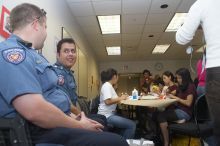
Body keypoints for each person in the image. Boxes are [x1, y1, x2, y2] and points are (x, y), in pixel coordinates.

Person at [0, 3, 128, 146]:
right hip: (37, 130)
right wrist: (79, 125)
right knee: (117, 142)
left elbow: (53, 98)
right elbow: (34, 110)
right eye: (45, 27)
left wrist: (77, 118)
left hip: (54, 123)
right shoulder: (13, 53)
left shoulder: (32, 54)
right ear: (36, 25)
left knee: (107, 135)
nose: (46, 32)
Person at [176, 0, 220, 144]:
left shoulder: (203, 4)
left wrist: (185, 24)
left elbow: (182, 38)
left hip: (216, 72)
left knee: (214, 125)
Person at [53, 38, 107, 128]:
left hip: (72, 116)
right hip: (65, 120)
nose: (70, 54)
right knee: (101, 124)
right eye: (66, 51)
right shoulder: (58, 74)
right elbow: (68, 105)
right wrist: (84, 118)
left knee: (102, 119)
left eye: (73, 51)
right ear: (58, 55)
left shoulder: (68, 73)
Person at [157, 68, 197, 146]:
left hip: (186, 112)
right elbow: (173, 93)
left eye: (179, 78)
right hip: (180, 110)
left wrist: (176, 98)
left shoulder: (190, 87)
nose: (178, 80)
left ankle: (166, 143)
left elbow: (188, 103)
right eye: (177, 78)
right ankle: (177, 122)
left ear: (185, 77)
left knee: (161, 116)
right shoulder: (181, 86)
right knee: (160, 113)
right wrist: (167, 93)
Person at [98, 68, 136, 139]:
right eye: (117, 77)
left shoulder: (109, 86)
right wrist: (121, 98)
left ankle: (120, 140)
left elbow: (113, 99)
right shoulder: (107, 86)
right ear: (114, 77)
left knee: (126, 120)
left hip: (110, 114)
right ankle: (124, 143)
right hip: (106, 116)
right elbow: (107, 102)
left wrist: (122, 98)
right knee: (132, 125)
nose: (117, 79)